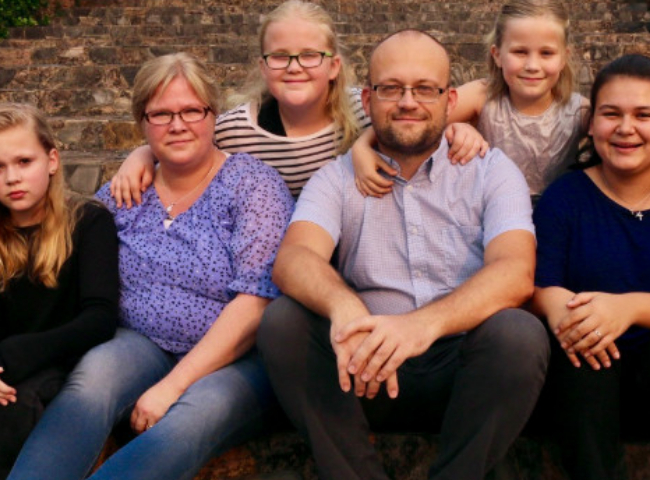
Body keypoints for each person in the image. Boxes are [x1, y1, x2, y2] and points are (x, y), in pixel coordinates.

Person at [257, 29, 549, 480]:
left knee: (519, 335)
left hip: (463, 368)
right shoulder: (336, 178)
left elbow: (515, 272)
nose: (408, 102)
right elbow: (294, 258)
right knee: (283, 322)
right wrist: (345, 308)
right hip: (364, 368)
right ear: (368, 98)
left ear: (450, 100)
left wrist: (420, 326)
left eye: (425, 89)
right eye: (391, 88)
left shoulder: (490, 171)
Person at [8, 52, 294, 480]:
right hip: (139, 344)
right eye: (160, 114)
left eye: (192, 110)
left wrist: (172, 387)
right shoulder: (123, 192)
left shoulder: (253, 185)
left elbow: (255, 302)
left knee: (190, 419)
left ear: (213, 115)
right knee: (92, 382)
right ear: (141, 122)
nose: (177, 125)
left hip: (237, 359)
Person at [109, 0, 487, 204]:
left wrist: (457, 128)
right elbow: (184, 135)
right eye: (280, 56)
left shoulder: (368, 108)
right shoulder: (236, 130)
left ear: (334, 66)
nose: (294, 67)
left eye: (309, 55)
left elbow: (464, 96)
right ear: (263, 66)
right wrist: (142, 155)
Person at [531, 53, 650, 480]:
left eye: (644, 115)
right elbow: (539, 284)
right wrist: (568, 313)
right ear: (591, 123)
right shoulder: (565, 198)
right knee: (581, 355)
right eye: (611, 114)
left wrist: (629, 308)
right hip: (587, 380)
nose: (625, 128)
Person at [354, 0, 585, 201]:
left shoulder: (580, 111)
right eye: (520, 52)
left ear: (564, 57)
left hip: (557, 215)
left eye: (546, 53)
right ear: (497, 55)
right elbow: (411, 116)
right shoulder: (482, 96)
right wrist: (362, 147)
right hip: (487, 206)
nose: (532, 66)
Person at [0, 103, 118, 477]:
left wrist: (15, 354)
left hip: (57, 365)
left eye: (24, 162)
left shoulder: (88, 222)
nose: (11, 178)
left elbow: (100, 317)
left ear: (52, 160)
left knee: (14, 410)